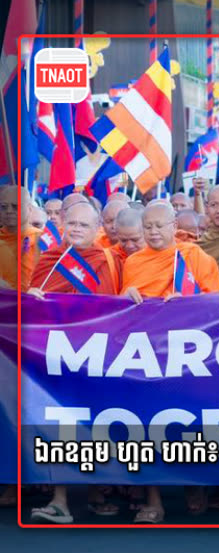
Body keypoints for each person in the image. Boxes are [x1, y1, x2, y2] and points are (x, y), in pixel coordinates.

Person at [118, 203, 219, 524]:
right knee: (146, 423)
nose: (153, 232)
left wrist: (190, 303)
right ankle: (154, 499)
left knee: (192, 422)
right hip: (147, 355)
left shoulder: (196, 258)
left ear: (174, 226)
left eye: (159, 226)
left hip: (190, 354)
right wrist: (125, 295)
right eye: (148, 226)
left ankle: (196, 486)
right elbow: (123, 313)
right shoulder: (134, 262)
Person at [26, 202, 124, 525]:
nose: (77, 229)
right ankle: (60, 501)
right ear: (63, 225)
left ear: (97, 229)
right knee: (61, 423)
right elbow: (35, 302)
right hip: (57, 354)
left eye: (85, 225)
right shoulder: (51, 259)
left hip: (98, 353)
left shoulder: (108, 258)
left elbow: (114, 304)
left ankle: (97, 493)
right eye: (73, 223)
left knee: (97, 424)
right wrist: (32, 298)